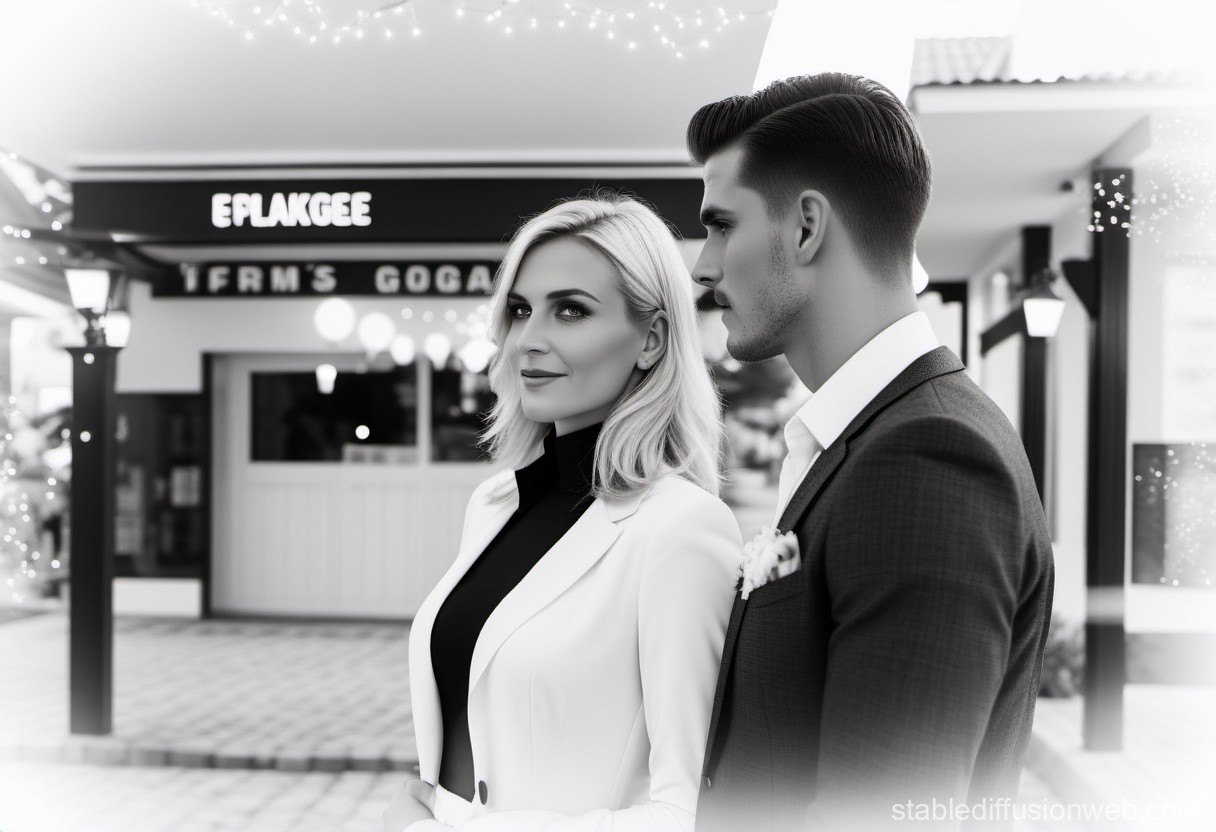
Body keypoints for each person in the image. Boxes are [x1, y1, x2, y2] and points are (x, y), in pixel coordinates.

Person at [688, 74, 1056, 830]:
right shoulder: (874, 436)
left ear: (806, 227)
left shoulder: (928, 454)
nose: (703, 264)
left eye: (722, 224)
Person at [383, 194, 741, 832]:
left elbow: (686, 813)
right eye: (520, 311)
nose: (529, 340)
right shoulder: (494, 505)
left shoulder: (680, 529)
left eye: (570, 310)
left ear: (652, 339)